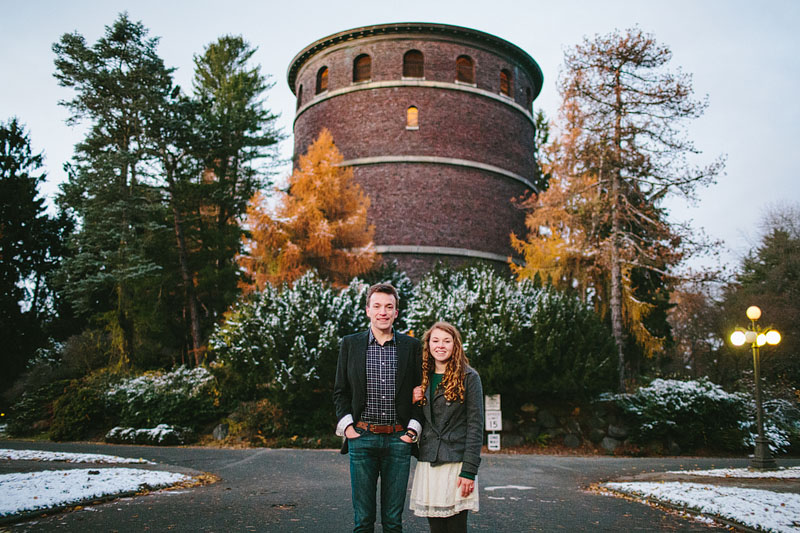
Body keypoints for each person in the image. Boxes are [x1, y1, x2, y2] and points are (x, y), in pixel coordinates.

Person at [334, 282, 423, 533]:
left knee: (393, 522)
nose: (383, 312)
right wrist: (348, 428)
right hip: (361, 439)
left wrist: (412, 432)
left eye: (389, 307)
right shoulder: (350, 344)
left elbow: (420, 393)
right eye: (377, 306)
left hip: (399, 440)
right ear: (368, 310)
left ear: (396, 312)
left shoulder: (411, 347)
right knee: (363, 521)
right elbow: (340, 391)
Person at [409, 321, 483, 533]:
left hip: (457, 464)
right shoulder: (422, 379)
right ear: (428, 345)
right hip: (430, 460)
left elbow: (476, 427)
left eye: (446, 341)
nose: (440, 346)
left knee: (456, 526)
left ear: (455, 345)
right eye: (435, 340)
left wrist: (469, 471)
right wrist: (411, 399)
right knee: (436, 528)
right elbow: (415, 418)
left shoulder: (470, 377)